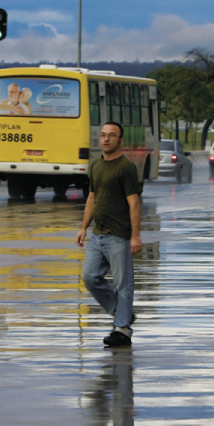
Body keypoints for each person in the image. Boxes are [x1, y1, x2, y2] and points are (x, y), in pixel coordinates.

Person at [77, 121, 144, 348]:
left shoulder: (126, 167)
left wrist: (135, 236)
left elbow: (134, 203)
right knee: (89, 276)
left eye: (111, 136)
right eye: (103, 135)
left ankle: (123, 330)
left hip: (119, 235)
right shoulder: (96, 165)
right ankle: (120, 313)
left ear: (120, 140)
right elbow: (91, 198)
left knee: (123, 283)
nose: (106, 139)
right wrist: (83, 227)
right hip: (98, 235)